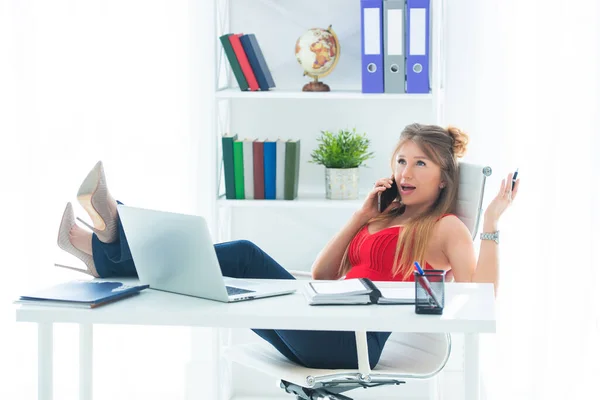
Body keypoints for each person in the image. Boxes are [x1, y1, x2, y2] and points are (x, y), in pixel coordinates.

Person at [55, 123, 520, 370]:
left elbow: (483, 301)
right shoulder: (382, 215)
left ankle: (108, 248)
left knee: (241, 255)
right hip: (318, 324)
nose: (407, 172)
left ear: (444, 179)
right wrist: (360, 215)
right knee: (211, 285)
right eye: (401, 160)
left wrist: (492, 222)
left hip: (353, 344)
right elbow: (321, 276)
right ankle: (107, 253)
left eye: (421, 164)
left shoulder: (447, 228)